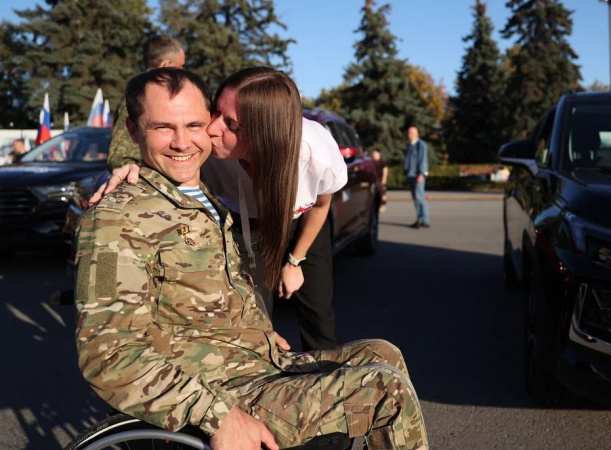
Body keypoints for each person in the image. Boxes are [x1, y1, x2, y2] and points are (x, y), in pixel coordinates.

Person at [75, 67, 428, 450]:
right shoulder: (112, 220)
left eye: (194, 124)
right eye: (163, 127)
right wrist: (216, 415)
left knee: (383, 355)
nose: (182, 142)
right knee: (383, 390)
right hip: (217, 393)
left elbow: (217, 283)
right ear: (133, 130)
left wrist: (253, 326)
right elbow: (105, 354)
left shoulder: (209, 197)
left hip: (255, 363)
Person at [98, 67, 348, 352]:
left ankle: (325, 384)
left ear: (264, 135)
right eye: (215, 112)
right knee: (257, 315)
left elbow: (321, 204)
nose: (212, 129)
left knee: (318, 315)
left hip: (302, 225)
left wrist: (294, 262)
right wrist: (135, 166)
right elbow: (163, 149)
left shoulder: (314, 152)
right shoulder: (110, 222)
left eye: (231, 125)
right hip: (246, 225)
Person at [106, 35, 185, 171]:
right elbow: (120, 157)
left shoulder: (160, 96)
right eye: (181, 66)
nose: (183, 71)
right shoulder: (140, 96)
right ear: (167, 65)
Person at [403, 126, 429, 228]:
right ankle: (419, 219)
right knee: (416, 198)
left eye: (412, 133)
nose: (409, 135)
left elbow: (423, 160)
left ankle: (425, 220)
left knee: (420, 198)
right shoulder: (410, 145)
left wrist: (421, 174)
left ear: (417, 134)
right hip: (410, 175)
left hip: (418, 175)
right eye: (409, 133)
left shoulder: (421, 145)